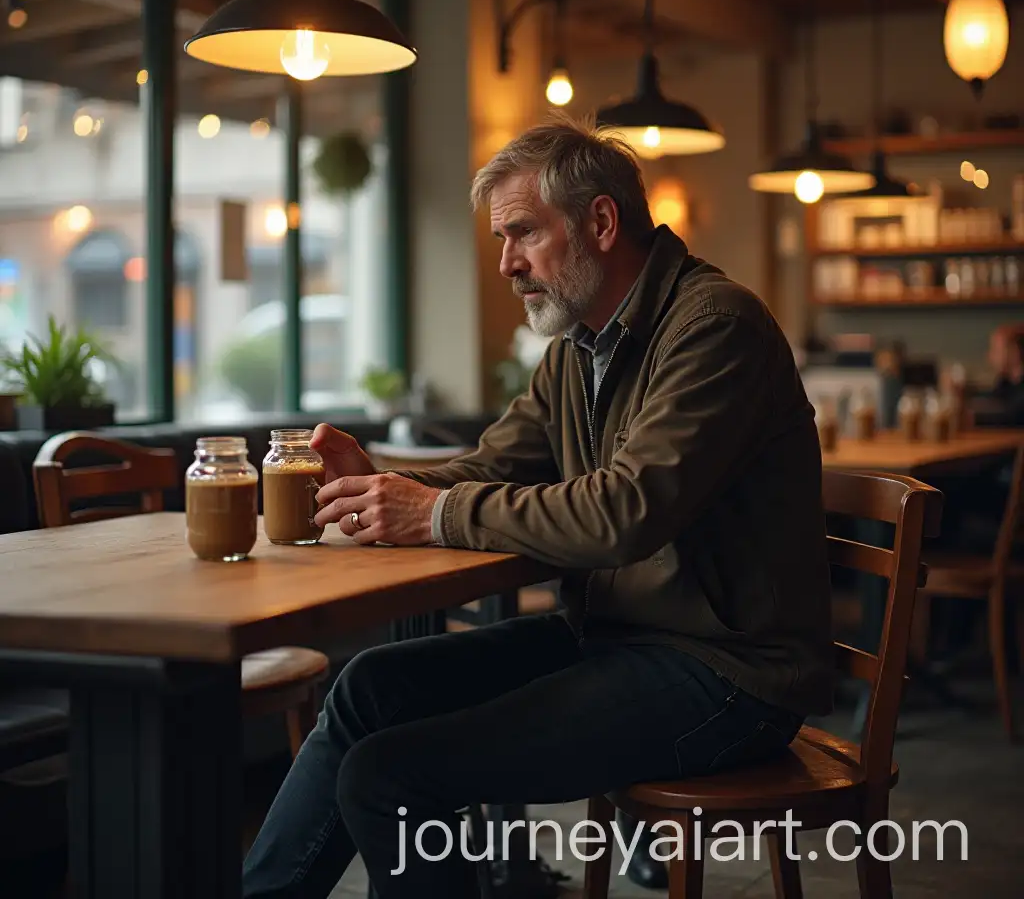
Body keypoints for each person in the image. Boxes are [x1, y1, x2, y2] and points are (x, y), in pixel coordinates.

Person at [242, 115, 834, 899]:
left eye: (522, 233)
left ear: (601, 222)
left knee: (391, 776)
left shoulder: (716, 328)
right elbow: (491, 469)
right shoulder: (576, 350)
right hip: (620, 639)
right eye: (501, 239)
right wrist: (381, 483)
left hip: (730, 675)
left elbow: (625, 512)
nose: (506, 264)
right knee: (366, 690)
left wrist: (429, 514)